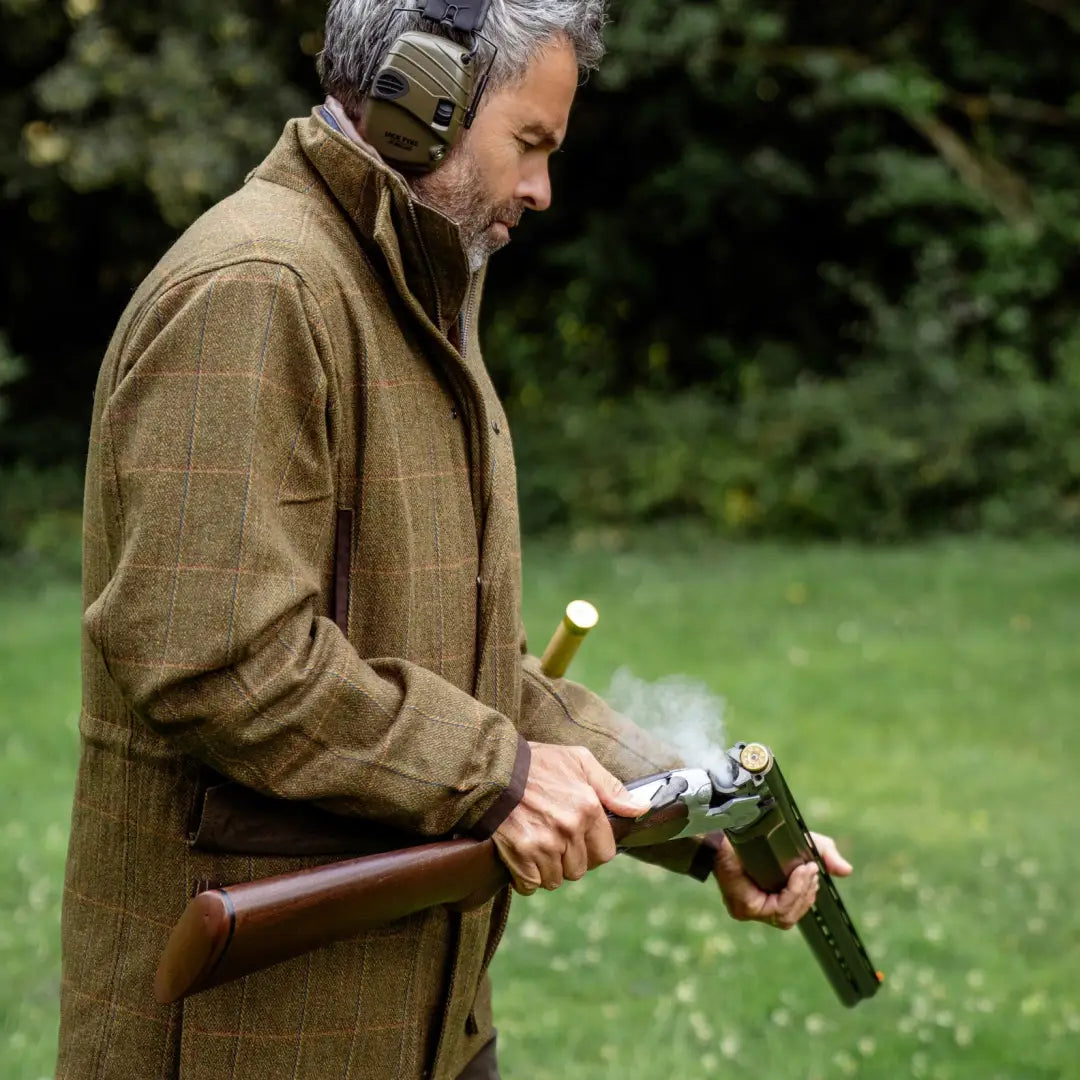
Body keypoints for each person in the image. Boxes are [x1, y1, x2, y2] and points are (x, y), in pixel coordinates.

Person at [56, 1, 852, 1078]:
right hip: (258, 1036)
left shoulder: (414, 305)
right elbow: (218, 657)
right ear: (422, 100)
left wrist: (700, 808)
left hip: (426, 1027)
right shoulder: (257, 291)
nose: (541, 190)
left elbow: (477, 676)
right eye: (531, 144)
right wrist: (498, 774)